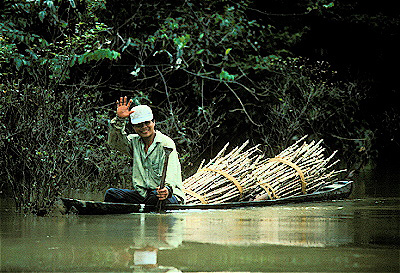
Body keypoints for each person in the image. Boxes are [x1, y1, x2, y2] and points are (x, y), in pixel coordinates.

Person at [104, 96, 185, 205]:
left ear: (154, 122)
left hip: (165, 195)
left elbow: (171, 173)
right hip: (143, 195)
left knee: (155, 198)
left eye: (147, 123)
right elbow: (114, 142)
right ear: (134, 127)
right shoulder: (134, 141)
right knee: (111, 194)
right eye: (139, 125)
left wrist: (167, 189)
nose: (144, 127)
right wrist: (120, 120)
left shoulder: (166, 143)